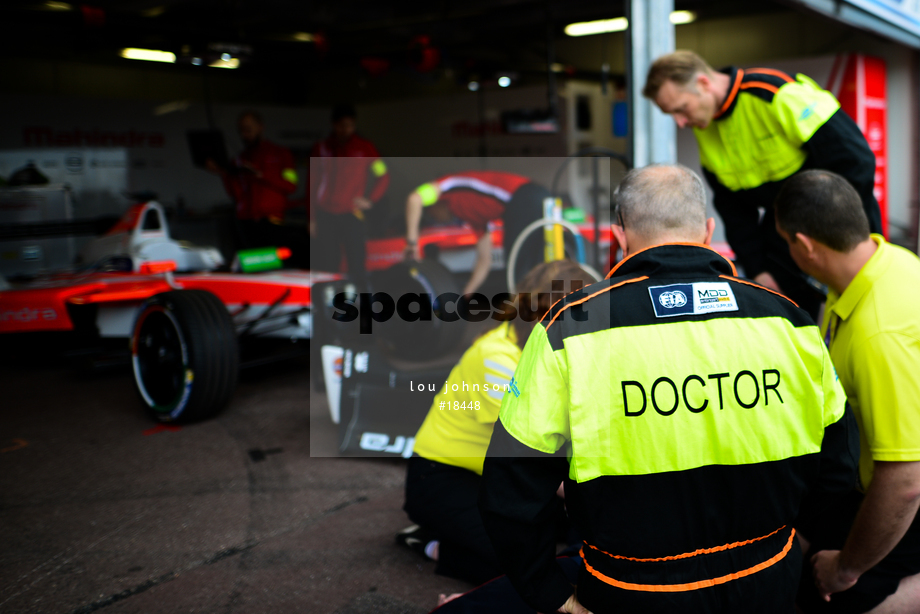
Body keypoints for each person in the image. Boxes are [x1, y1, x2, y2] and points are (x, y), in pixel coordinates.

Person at [478, 164, 859, 614]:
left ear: (621, 234)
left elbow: (510, 486)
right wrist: (810, 548)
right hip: (768, 579)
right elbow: (838, 465)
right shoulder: (788, 319)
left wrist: (549, 593)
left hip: (632, 592)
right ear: (708, 230)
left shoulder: (569, 329)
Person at [773, 170, 920, 613]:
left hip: (905, 495)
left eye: (785, 243)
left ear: (805, 245)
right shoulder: (885, 261)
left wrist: (846, 568)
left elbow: (905, 481)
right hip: (865, 478)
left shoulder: (880, 334)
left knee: (821, 593)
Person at [398, 260, 596, 587]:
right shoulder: (495, 358)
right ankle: (432, 545)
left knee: (571, 532)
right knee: (521, 564)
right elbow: (535, 452)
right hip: (441, 478)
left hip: (497, 476)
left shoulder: (548, 343)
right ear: (542, 314)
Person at [643, 50, 882, 318]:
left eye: (681, 109)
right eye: (671, 115)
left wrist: (833, 239)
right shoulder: (705, 127)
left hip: (843, 226)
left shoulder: (776, 92)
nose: (681, 123)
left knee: (868, 312)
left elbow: (855, 161)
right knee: (788, 320)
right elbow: (734, 212)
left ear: (703, 83)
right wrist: (759, 271)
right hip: (784, 237)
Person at [403, 171, 549, 295]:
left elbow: (414, 198)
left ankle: (523, 321)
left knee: (519, 266)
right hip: (535, 198)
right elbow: (485, 261)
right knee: (539, 263)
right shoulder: (476, 219)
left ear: (434, 205)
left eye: (432, 216)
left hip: (523, 197)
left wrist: (412, 243)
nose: (437, 220)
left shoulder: (447, 185)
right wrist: (465, 296)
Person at [310, 103, 389, 289]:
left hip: (352, 214)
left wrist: (370, 200)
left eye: (350, 125)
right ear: (333, 124)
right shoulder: (321, 148)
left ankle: (363, 306)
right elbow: (312, 184)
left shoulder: (365, 148)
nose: (346, 129)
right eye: (342, 125)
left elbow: (383, 175)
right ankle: (330, 308)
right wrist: (312, 218)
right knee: (328, 263)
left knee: (357, 262)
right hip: (326, 214)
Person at [207, 110, 298, 251]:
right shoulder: (239, 159)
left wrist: (262, 175)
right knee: (250, 266)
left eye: (248, 130)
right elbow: (234, 194)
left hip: (272, 219)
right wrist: (223, 173)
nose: (245, 135)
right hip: (246, 220)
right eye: (241, 131)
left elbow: (291, 185)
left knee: (273, 264)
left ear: (260, 127)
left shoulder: (282, 154)